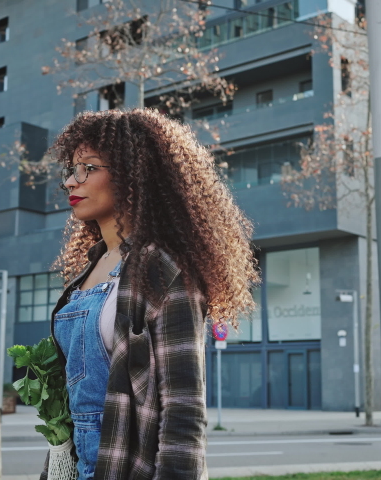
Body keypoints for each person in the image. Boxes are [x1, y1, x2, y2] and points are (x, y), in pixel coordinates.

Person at [43, 109, 259, 480]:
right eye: (71, 170)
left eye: (88, 168)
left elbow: (183, 411)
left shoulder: (161, 269)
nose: (71, 182)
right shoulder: (86, 273)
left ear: (134, 174)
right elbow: (71, 404)